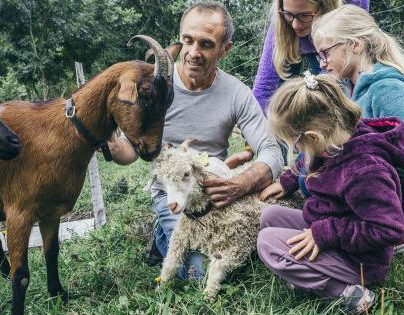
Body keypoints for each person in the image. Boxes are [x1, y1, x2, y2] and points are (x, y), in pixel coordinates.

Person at [106, 2, 283, 280]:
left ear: (225, 49)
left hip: (215, 191)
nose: (193, 53)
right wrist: (112, 144)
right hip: (171, 192)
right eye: (187, 40)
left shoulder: (236, 93)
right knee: (197, 272)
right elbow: (131, 151)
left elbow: (271, 150)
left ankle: (167, 237)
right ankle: (164, 235)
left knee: (253, 252)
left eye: (206, 44)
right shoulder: (155, 86)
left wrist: (240, 184)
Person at [257, 73, 404, 313]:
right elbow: (311, 162)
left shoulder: (365, 171)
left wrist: (326, 233)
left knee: (267, 244)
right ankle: (311, 263)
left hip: (359, 261)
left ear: (313, 137)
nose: (298, 150)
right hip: (334, 230)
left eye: (295, 144)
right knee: (269, 217)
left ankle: (347, 293)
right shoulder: (337, 138)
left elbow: (389, 229)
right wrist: (288, 181)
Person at [310, 4, 404, 224]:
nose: (322, 62)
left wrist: (350, 161)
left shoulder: (388, 89)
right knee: (314, 187)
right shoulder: (348, 87)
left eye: (326, 52)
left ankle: (384, 235)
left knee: (325, 195)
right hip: (382, 181)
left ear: (354, 45)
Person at [252, 0, 370, 115]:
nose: (295, 25)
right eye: (288, 14)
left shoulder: (353, 8)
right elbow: (263, 89)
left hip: (338, 44)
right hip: (300, 46)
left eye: (304, 15)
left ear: (325, 6)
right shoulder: (281, 21)